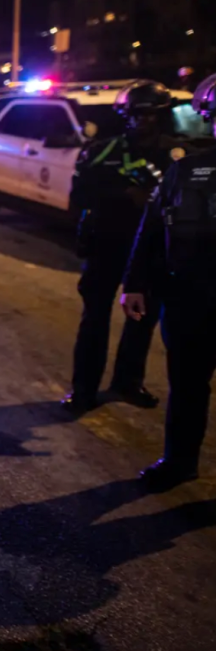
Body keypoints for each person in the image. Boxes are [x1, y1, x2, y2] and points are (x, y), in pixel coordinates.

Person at [64, 80, 188, 414]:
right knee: (95, 320)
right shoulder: (103, 151)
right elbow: (78, 197)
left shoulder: (176, 155)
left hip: (151, 251)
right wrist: (124, 197)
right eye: (136, 113)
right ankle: (83, 390)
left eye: (150, 114)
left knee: (142, 320)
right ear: (125, 114)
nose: (142, 120)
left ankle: (128, 382)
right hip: (106, 245)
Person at [121, 73, 216, 491]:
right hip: (190, 301)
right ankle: (180, 462)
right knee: (188, 388)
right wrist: (135, 283)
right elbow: (152, 229)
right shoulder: (187, 170)